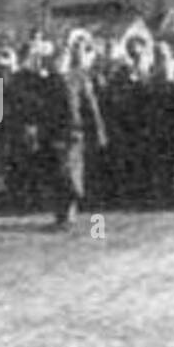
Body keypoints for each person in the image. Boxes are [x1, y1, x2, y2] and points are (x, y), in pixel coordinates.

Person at [45, 41, 108, 228]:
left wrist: (98, 132)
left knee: (69, 173)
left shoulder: (78, 78)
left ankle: (74, 210)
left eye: (63, 56)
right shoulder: (50, 80)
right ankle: (63, 215)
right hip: (54, 133)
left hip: (74, 133)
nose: (60, 60)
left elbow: (90, 106)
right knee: (58, 174)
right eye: (57, 57)